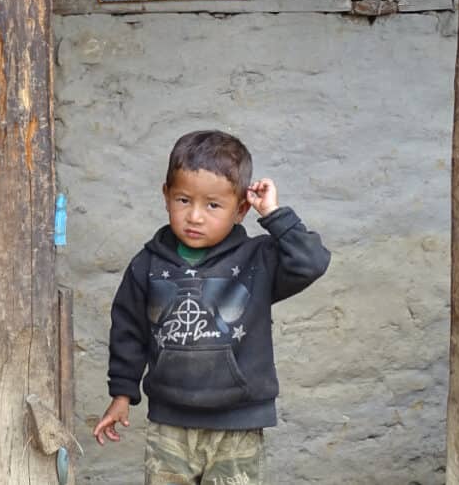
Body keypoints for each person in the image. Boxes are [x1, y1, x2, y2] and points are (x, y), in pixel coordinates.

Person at [93, 130, 330, 484]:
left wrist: (274, 214)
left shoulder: (257, 262)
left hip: (238, 424)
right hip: (170, 425)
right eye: (183, 200)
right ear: (166, 196)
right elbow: (128, 331)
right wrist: (122, 393)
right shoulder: (147, 264)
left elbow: (311, 262)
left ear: (241, 210)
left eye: (213, 205)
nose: (195, 216)